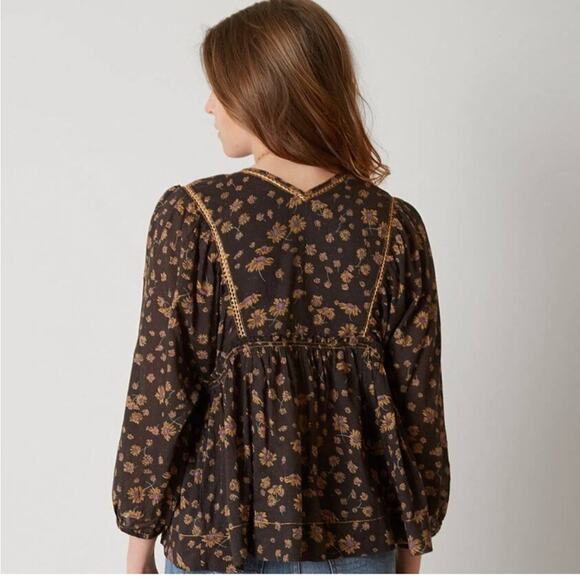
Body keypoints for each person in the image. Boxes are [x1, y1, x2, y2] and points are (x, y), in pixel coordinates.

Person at [111, 0, 450, 574]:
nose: (209, 105)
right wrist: (413, 541)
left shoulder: (193, 214)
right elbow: (418, 402)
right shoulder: (394, 224)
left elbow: (164, 384)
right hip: (363, 539)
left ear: (261, 87)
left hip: (221, 536)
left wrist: (138, 539)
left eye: (220, 87)